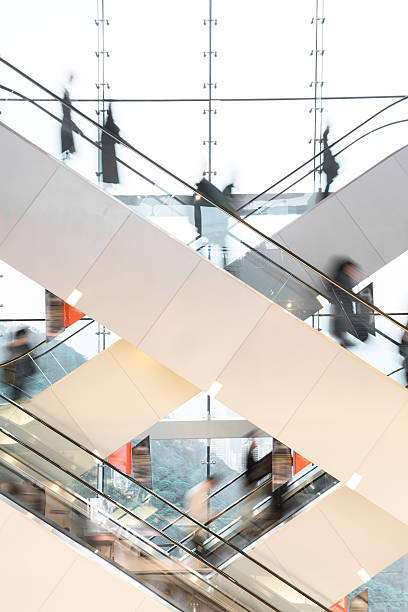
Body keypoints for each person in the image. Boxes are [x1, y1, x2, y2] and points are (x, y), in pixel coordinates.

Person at [330, 259, 361, 348]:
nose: (353, 271)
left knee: (343, 322)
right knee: (343, 321)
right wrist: (361, 300)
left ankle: (343, 341)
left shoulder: (341, 276)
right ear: (346, 267)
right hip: (343, 305)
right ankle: (344, 341)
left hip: (342, 305)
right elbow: (348, 293)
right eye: (351, 269)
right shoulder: (342, 277)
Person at [185, 475, 218, 554]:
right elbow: (197, 509)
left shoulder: (199, 490)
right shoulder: (199, 492)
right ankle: (201, 560)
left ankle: (200, 558)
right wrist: (210, 517)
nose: (213, 486)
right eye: (213, 483)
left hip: (195, 521)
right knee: (198, 543)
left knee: (198, 542)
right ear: (210, 482)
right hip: (195, 521)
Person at [4, 328, 35, 402]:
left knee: (18, 393)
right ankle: (16, 407)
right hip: (17, 375)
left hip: (22, 374)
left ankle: (17, 406)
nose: (26, 338)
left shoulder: (25, 346)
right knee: (16, 394)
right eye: (24, 336)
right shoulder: (15, 347)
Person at [60, 77, 82, 159]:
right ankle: (66, 156)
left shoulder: (66, 114)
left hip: (65, 128)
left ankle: (66, 157)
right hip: (66, 129)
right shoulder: (67, 115)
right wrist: (79, 132)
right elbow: (70, 123)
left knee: (67, 145)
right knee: (67, 145)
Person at [101, 104, 121, 184]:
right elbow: (117, 138)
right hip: (109, 148)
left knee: (108, 166)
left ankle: (109, 179)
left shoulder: (107, 125)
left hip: (106, 147)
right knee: (111, 166)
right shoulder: (110, 125)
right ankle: (111, 180)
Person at [322, 125, 340, 197]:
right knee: (326, 147)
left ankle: (325, 195)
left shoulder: (330, 162)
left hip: (328, 165)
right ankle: (325, 195)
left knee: (328, 183)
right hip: (328, 164)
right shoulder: (329, 157)